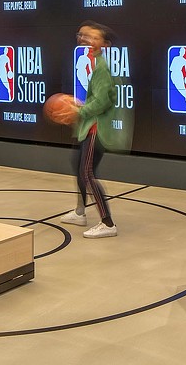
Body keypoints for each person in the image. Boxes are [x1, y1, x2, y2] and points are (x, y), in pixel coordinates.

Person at [57, 21, 120, 239]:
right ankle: (80, 212)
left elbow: (102, 101)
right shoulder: (96, 64)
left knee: (87, 173)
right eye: (84, 36)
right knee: (78, 167)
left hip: (96, 130)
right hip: (89, 128)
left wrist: (79, 111)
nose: (86, 40)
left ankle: (108, 222)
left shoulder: (101, 68)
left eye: (93, 37)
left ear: (104, 44)